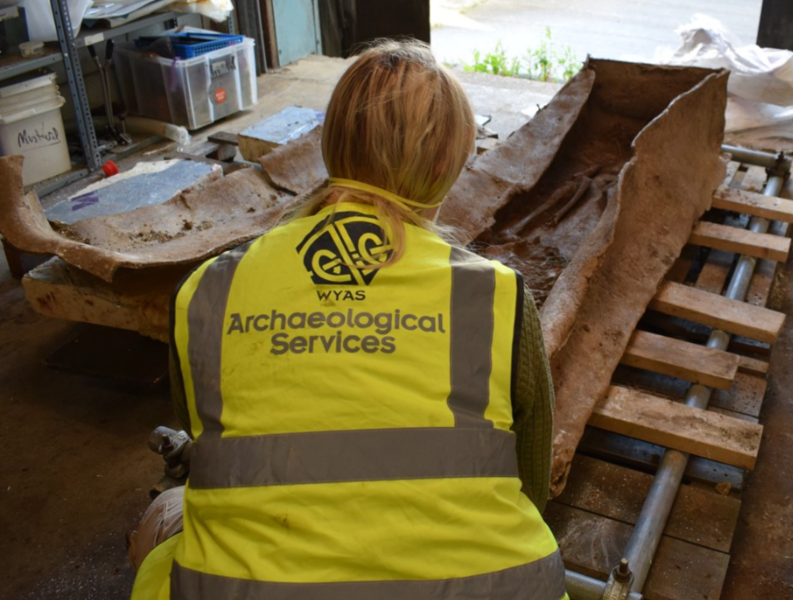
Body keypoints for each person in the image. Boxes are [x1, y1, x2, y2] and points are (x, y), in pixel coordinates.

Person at [129, 39, 567, 600]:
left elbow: (207, 442)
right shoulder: (496, 295)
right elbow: (530, 486)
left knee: (169, 512)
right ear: (442, 166)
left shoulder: (211, 287)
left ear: (332, 145)